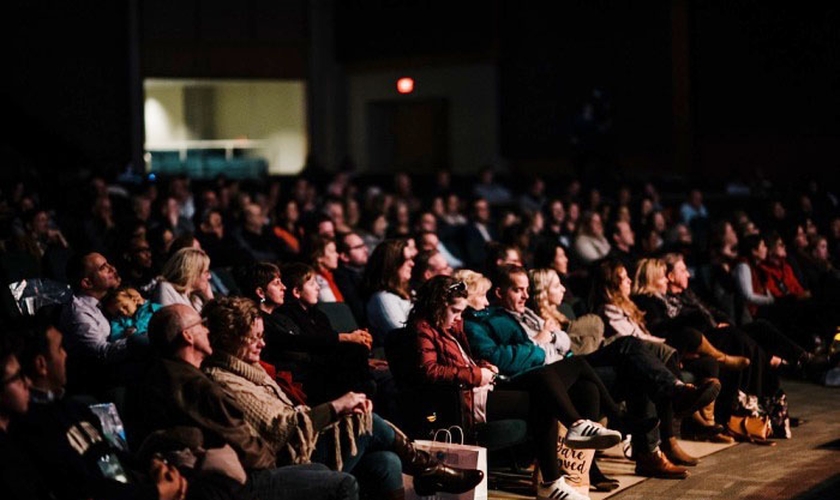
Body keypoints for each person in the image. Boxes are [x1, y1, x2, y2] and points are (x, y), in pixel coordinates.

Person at [201, 296, 484, 500]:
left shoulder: (251, 370)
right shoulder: (224, 379)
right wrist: (337, 407)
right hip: (287, 458)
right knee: (367, 419)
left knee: (386, 461)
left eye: (261, 336)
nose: (262, 343)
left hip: (303, 442)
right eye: (254, 338)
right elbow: (282, 428)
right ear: (230, 339)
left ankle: (427, 471)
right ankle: (431, 471)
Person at [411, 275, 622, 500]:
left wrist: (483, 366)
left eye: (461, 312)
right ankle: (553, 480)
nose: (458, 318)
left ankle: (576, 429)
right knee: (542, 400)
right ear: (437, 306)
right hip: (466, 401)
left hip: (484, 386)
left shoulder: (450, 326)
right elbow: (429, 371)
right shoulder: (423, 328)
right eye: (454, 311)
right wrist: (476, 374)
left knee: (560, 370)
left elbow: (467, 359)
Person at [128, 303, 362, 500]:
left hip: (229, 469)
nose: (207, 331)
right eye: (201, 325)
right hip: (235, 480)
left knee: (330, 468)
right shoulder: (194, 384)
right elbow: (244, 443)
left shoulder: (173, 375)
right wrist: (273, 461)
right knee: (344, 484)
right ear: (187, 335)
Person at [590, 259, 722, 471]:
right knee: (659, 351)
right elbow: (630, 340)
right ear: (612, 285)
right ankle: (674, 417)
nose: (629, 281)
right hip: (608, 361)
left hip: (633, 355)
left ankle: (668, 432)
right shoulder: (606, 309)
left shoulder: (628, 306)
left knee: (691, 359)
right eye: (624, 278)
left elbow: (642, 338)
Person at [275, 262, 375, 404]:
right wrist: (349, 338)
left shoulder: (318, 315)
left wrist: (357, 337)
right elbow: (314, 343)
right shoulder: (287, 314)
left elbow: (329, 338)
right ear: (297, 292)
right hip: (315, 374)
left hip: (331, 367)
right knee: (354, 351)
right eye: (311, 284)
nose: (318, 287)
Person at [60, 251, 148, 395]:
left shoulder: (107, 301)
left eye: (108, 264)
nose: (112, 268)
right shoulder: (79, 313)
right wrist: (134, 340)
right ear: (87, 283)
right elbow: (102, 353)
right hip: (103, 382)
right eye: (103, 268)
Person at [363, 238, 415, 351]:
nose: (412, 263)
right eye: (406, 260)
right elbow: (403, 334)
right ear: (392, 265)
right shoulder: (382, 298)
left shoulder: (410, 292)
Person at [152, 248, 214, 312]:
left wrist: (210, 299)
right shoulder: (166, 289)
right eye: (206, 272)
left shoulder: (195, 299)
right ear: (192, 272)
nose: (209, 277)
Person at [334, 231, 370, 327]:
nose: (366, 250)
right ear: (344, 256)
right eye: (358, 247)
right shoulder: (342, 278)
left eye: (364, 245)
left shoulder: (366, 272)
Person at [310, 235, 344, 303]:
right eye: (332, 251)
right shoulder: (317, 280)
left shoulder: (332, 277)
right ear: (319, 257)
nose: (337, 255)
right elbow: (332, 305)